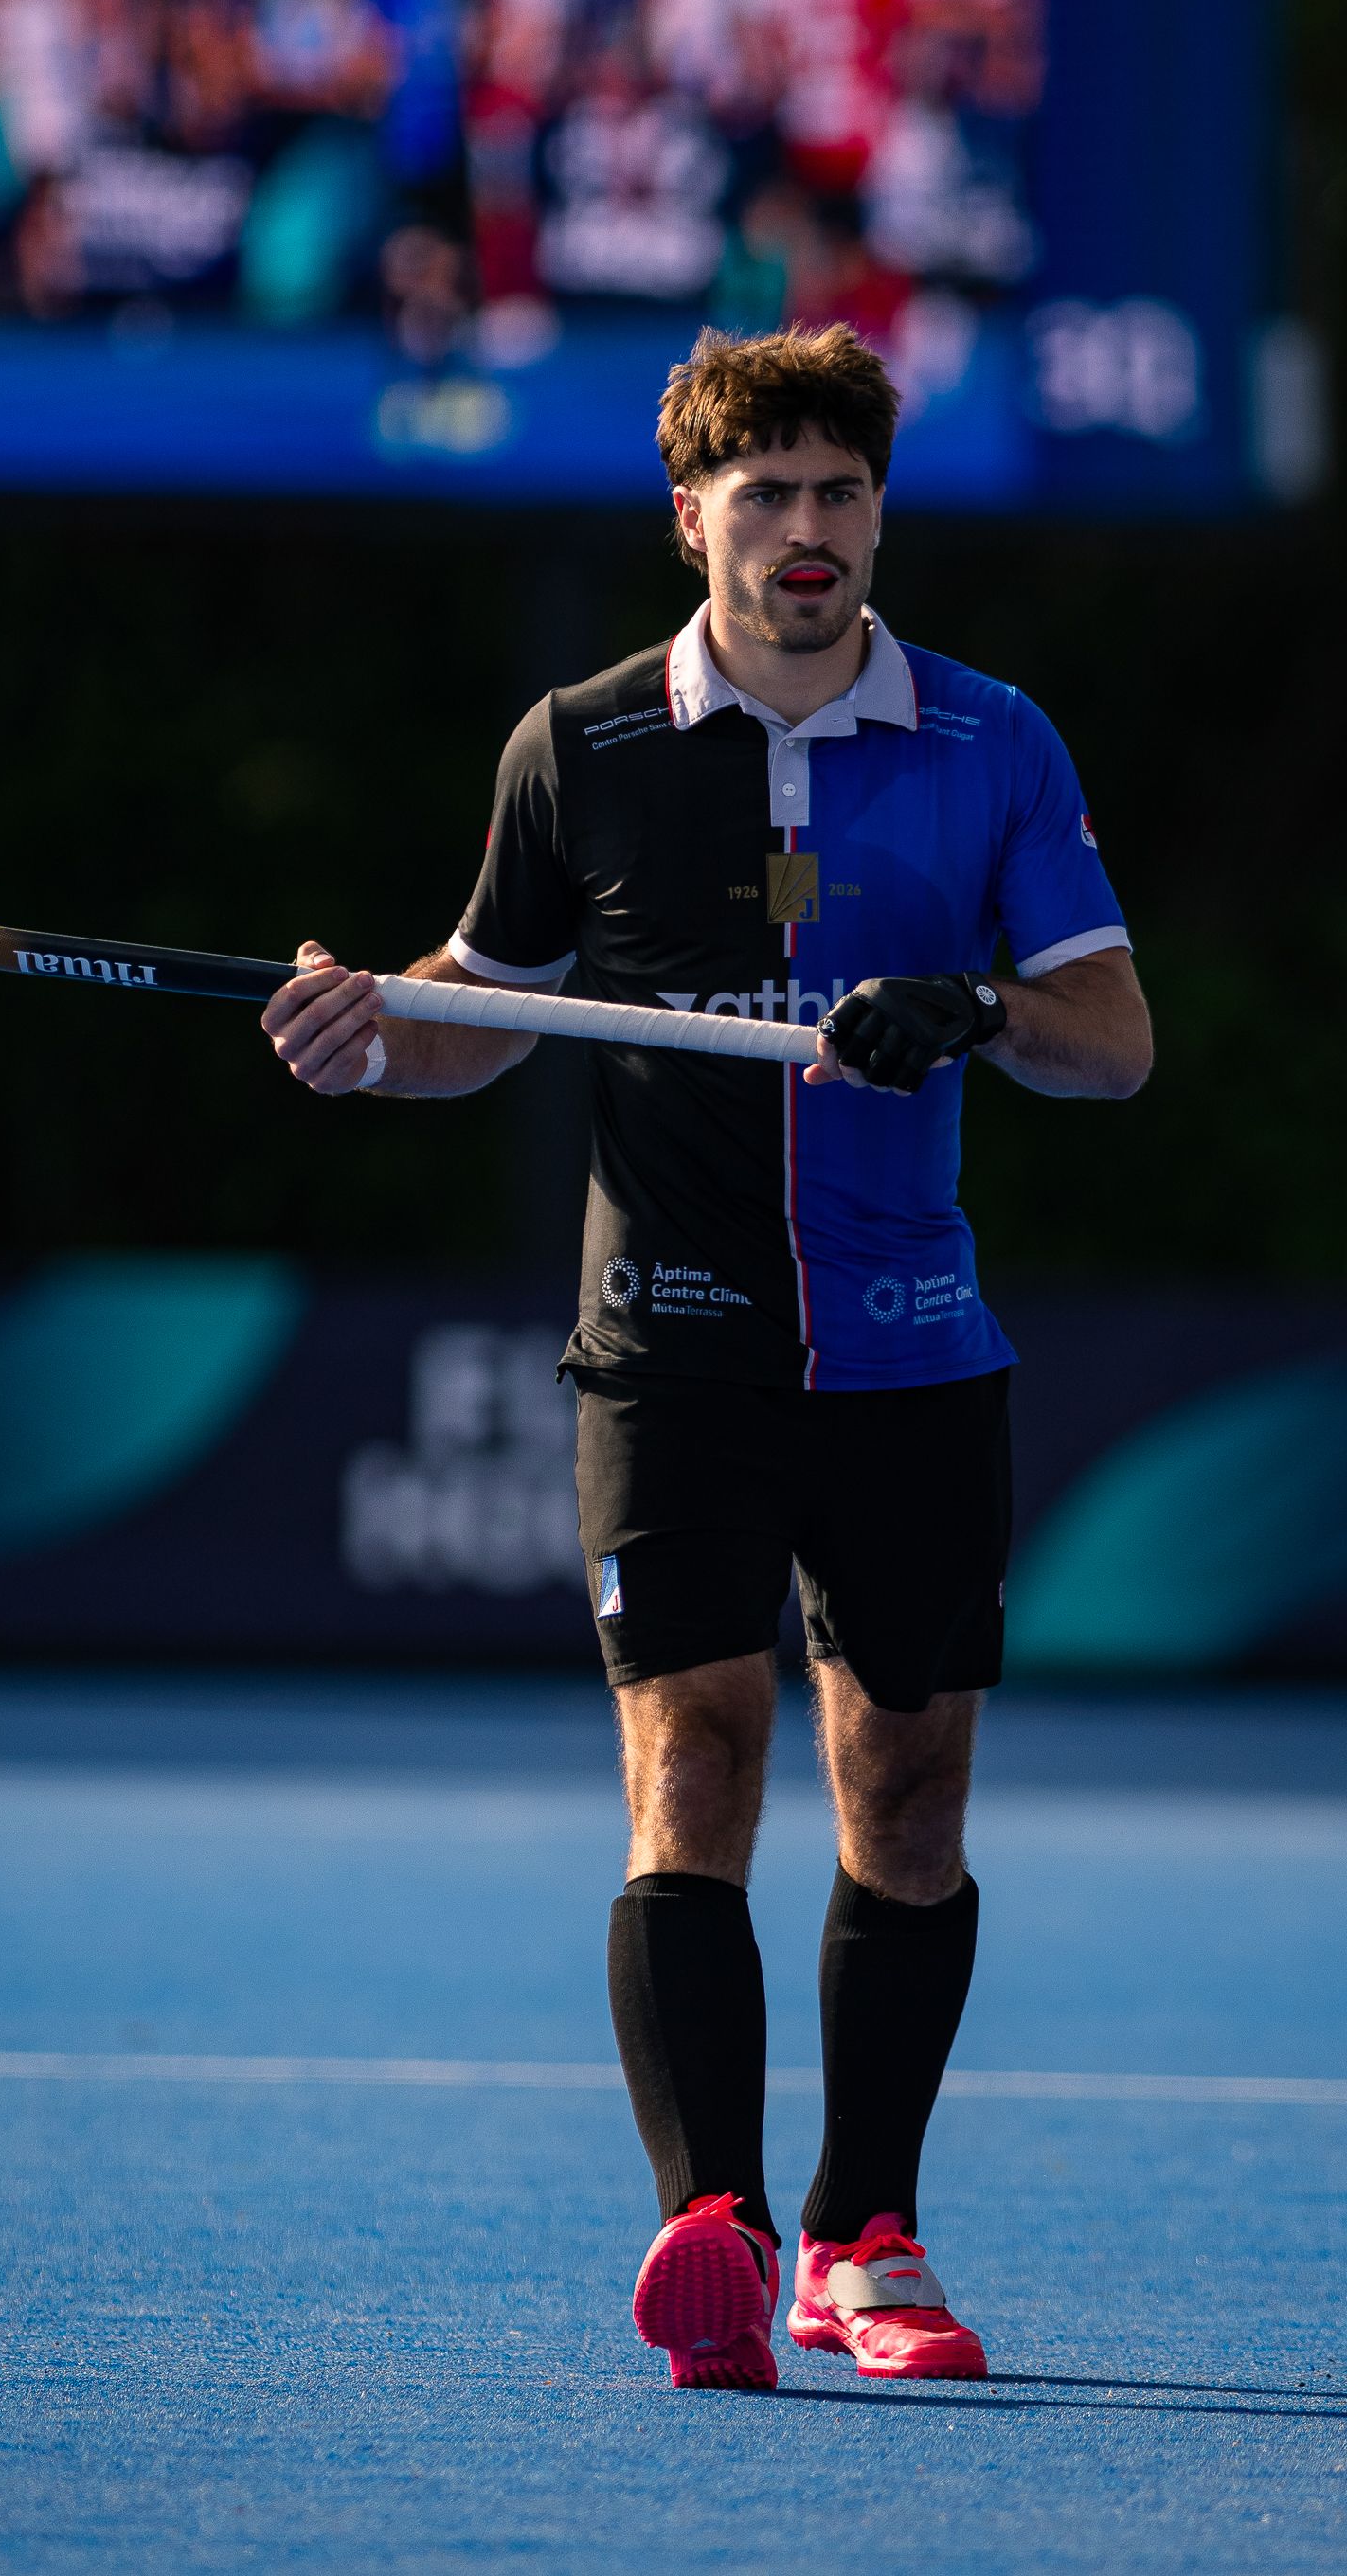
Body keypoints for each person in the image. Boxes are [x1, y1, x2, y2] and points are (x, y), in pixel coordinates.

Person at [261, 322, 1153, 2392]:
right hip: (667, 1340)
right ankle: (717, 2224)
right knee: (695, 1762)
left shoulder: (992, 742)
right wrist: (360, 1033)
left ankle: (866, 2231)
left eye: (842, 492)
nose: (810, 530)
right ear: (694, 522)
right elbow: (481, 1011)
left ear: (877, 515)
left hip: (916, 1349)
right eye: (767, 496)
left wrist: (978, 1013)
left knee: (904, 1791)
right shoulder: (577, 747)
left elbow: (1112, 1043)